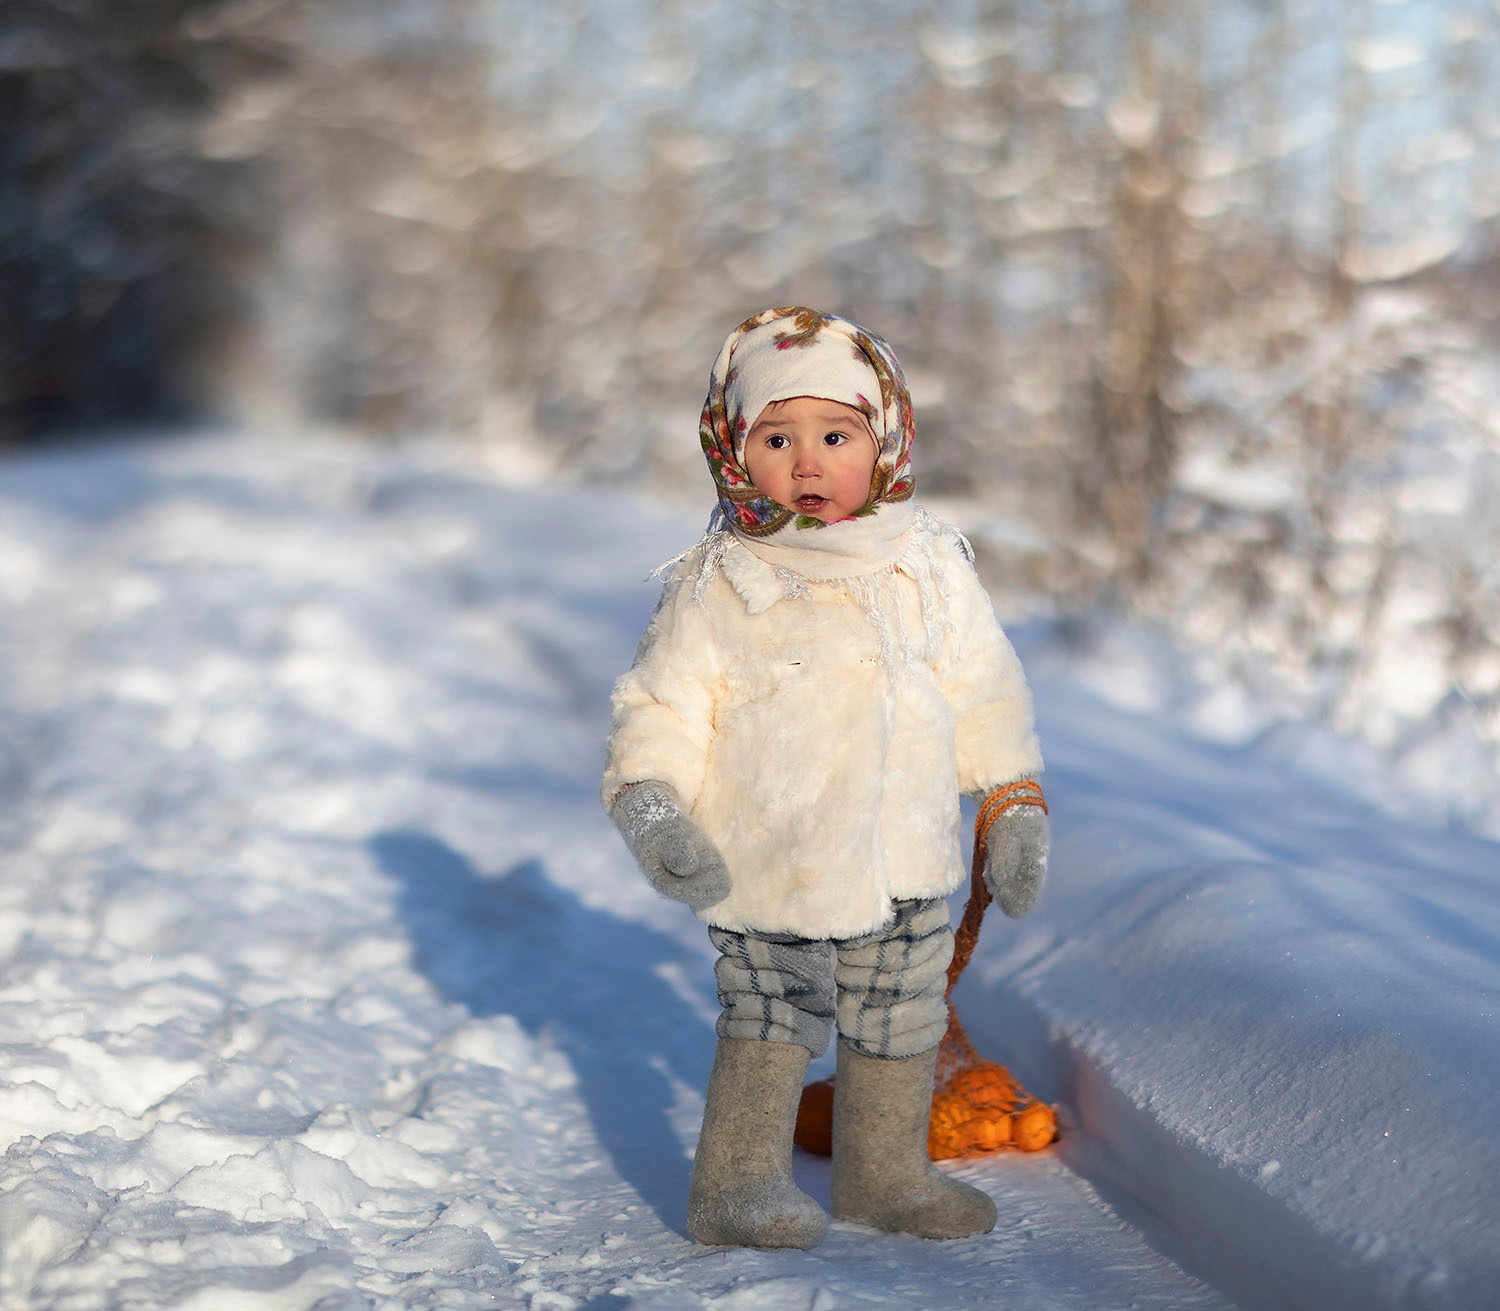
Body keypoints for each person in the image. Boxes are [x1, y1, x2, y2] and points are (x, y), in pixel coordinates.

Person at [602, 306, 1048, 1249]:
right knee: (770, 1015)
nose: (808, 461)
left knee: (900, 1013)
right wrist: (651, 800)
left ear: (882, 438)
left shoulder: (928, 564)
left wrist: (1011, 797)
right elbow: (665, 703)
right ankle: (735, 1187)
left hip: (908, 858)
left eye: (835, 435)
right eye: (777, 436)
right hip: (773, 865)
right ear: (734, 450)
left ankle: (883, 1179)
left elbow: (985, 687)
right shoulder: (723, 578)